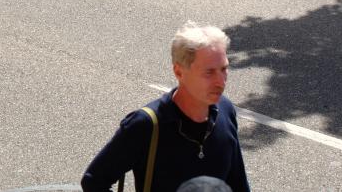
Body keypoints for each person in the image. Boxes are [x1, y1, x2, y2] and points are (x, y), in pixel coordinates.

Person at [81, 22, 250, 192]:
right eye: (209, 72)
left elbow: (238, 183)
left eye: (224, 69)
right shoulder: (145, 125)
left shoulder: (225, 111)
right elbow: (93, 181)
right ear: (179, 72)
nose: (221, 81)